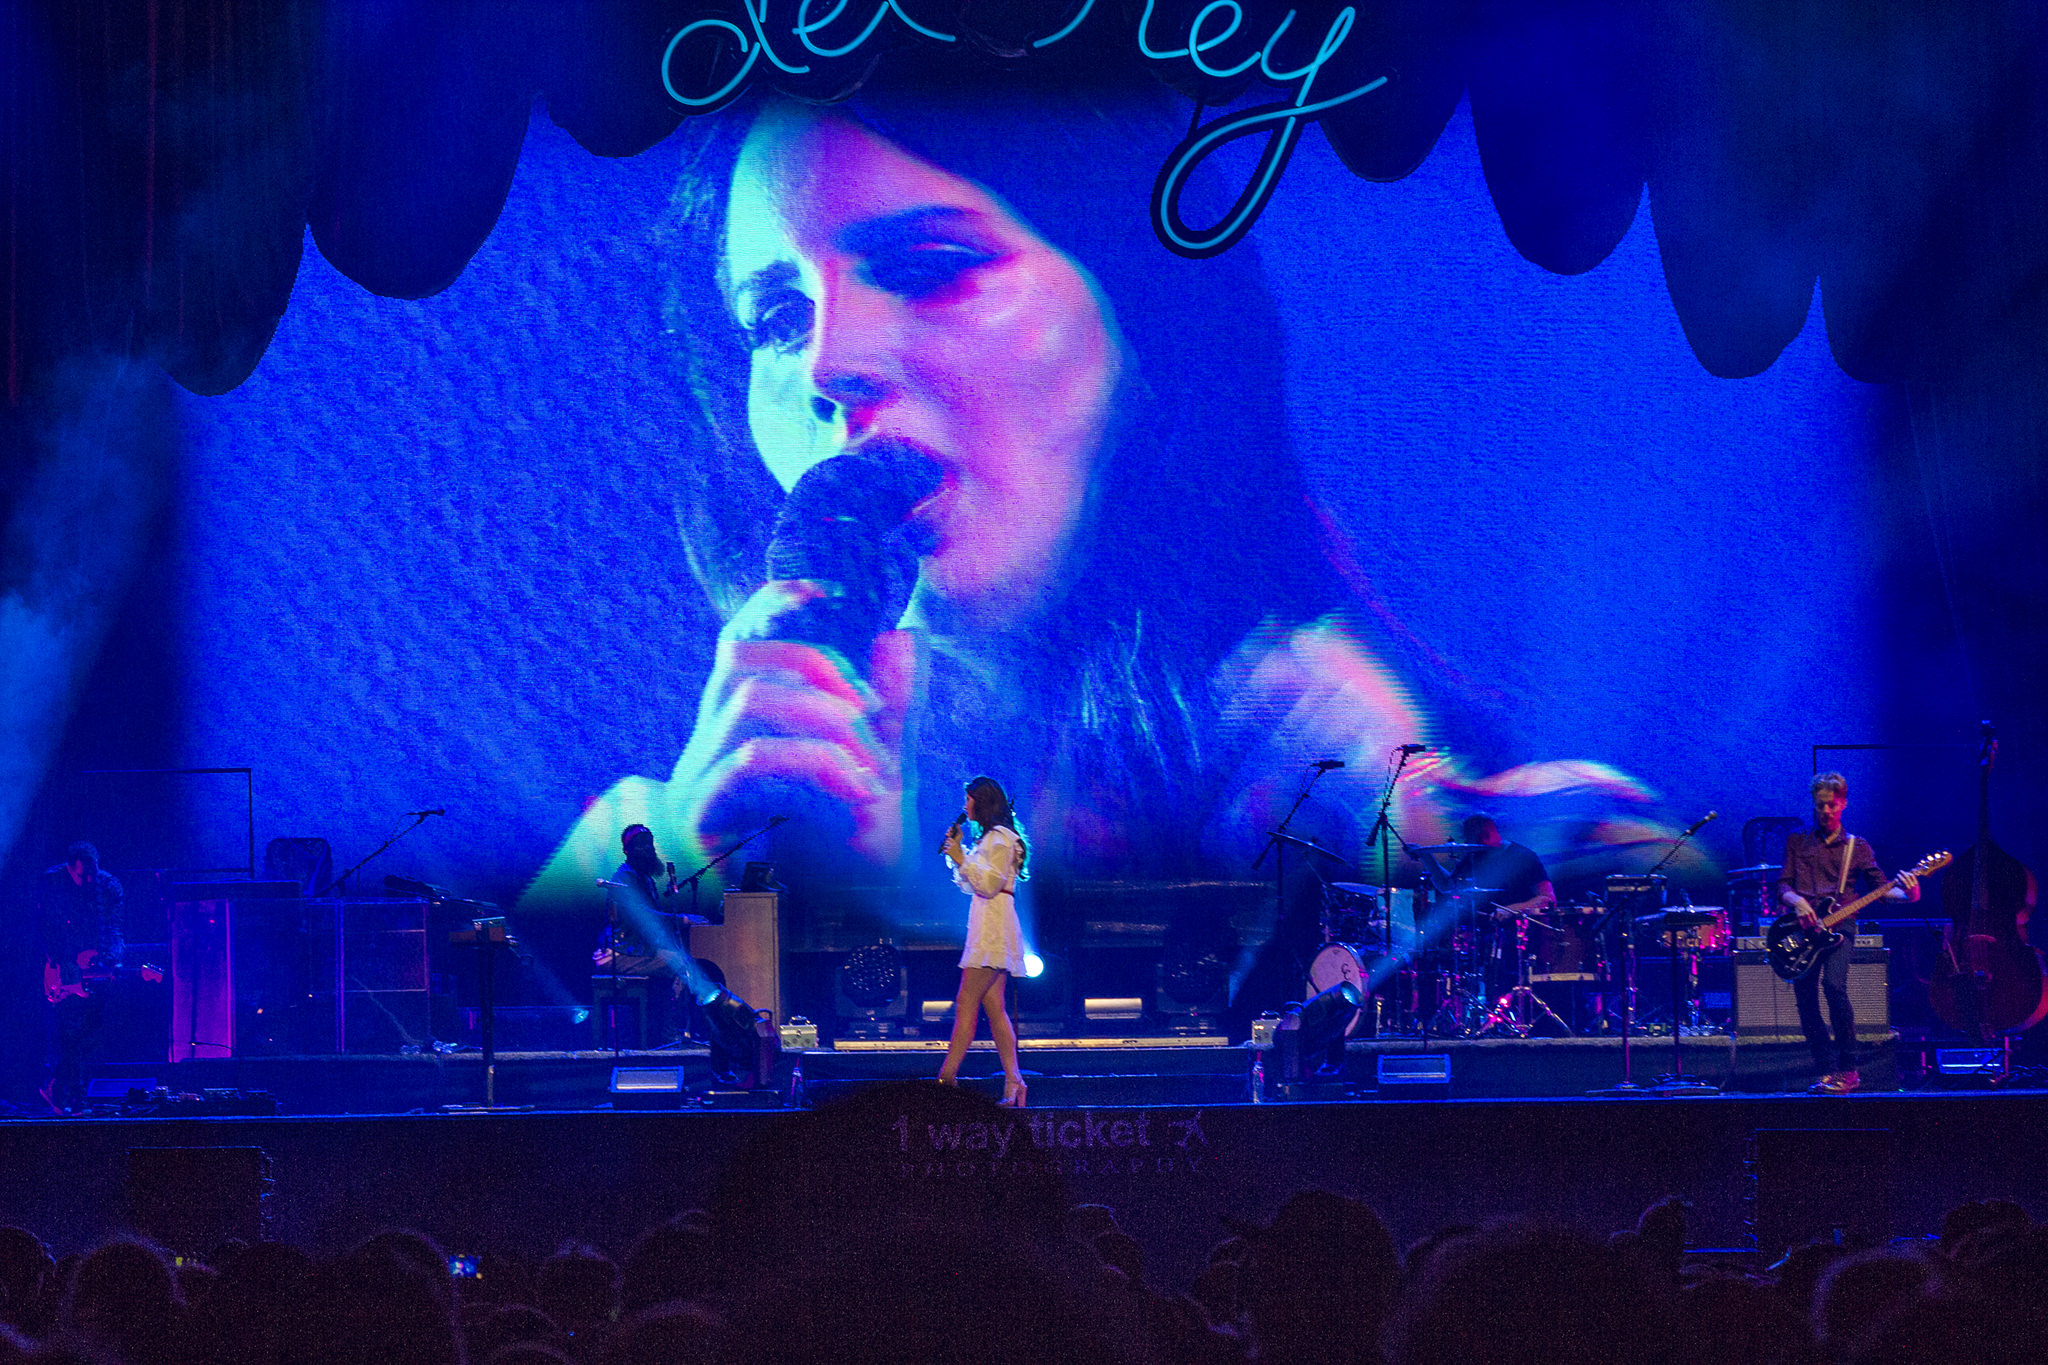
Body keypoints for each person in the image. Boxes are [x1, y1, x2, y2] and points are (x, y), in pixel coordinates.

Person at [517, 77, 1673, 1022]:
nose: (826, 364)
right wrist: (688, 888)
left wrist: (1429, 880)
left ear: (1146, 338)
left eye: (928, 269)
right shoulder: (643, 855)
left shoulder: (1461, 818)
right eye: (775, 318)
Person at [1775, 771, 1918, 1094]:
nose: (1825, 811)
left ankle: (1849, 1069)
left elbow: (1883, 891)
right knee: (1805, 999)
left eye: (1831, 805)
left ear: (1843, 804)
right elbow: (1782, 885)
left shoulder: (1858, 847)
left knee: (1833, 986)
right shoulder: (1797, 841)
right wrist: (1797, 901)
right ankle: (1827, 1071)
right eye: (1820, 805)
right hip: (1804, 929)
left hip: (1842, 927)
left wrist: (1910, 894)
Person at [937, 776, 1030, 1107]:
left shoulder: (1001, 838)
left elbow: (989, 885)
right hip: (985, 926)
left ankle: (946, 1079)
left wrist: (962, 857)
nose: (965, 806)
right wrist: (959, 854)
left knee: (966, 1001)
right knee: (994, 1008)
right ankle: (1014, 1081)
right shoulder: (990, 838)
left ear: (982, 802)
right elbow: (971, 885)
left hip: (993, 930)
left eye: (969, 799)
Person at [594, 824, 719, 1043]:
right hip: (618, 952)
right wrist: (684, 919)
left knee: (681, 960)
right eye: (640, 845)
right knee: (680, 964)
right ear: (627, 850)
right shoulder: (624, 878)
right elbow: (643, 918)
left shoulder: (644, 878)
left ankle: (670, 1032)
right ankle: (671, 1035)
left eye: (649, 844)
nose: (647, 849)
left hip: (635, 949)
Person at [37, 840, 124, 1114]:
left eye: (92, 874)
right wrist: (57, 963)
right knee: (69, 1031)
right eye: (81, 876)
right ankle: (76, 1098)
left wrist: (112, 958)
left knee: (92, 1032)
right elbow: (43, 926)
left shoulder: (109, 887)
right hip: (63, 966)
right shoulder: (53, 881)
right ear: (69, 868)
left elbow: (115, 927)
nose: (87, 881)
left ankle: (55, 1083)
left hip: (96, 965)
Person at [1449, 814, 1556, 1001]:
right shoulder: (1473, 858)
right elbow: (1448, 886)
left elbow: (1548, 898)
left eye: (1470, 838)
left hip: (1524, 939)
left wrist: (1512, 909)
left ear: (1486, 835)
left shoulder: (1523, 857)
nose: (1467, 844)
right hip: (1486, 939)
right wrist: (1427, 859)